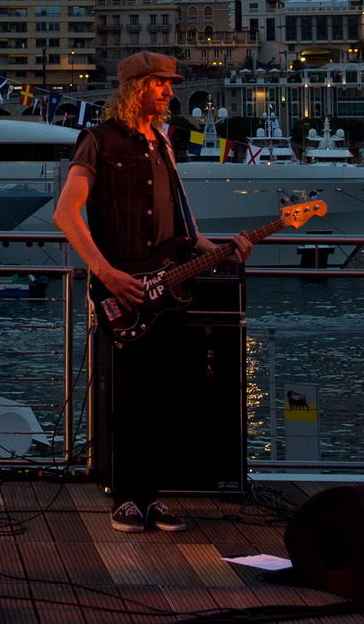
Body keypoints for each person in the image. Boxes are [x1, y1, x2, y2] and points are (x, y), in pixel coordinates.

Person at [53, 52, 249, 535]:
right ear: (134, 87)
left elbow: (182, 223)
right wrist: (105, 272)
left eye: (169, 84)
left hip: (170, 288)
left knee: (170, 395)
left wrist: (218, 249)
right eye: (159, 84)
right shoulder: (97, 141)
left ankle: (152, 496)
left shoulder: (163, 144)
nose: (168, 92)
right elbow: (66, 213)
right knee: (130, 395)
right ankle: (125, 498)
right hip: (123, 287)